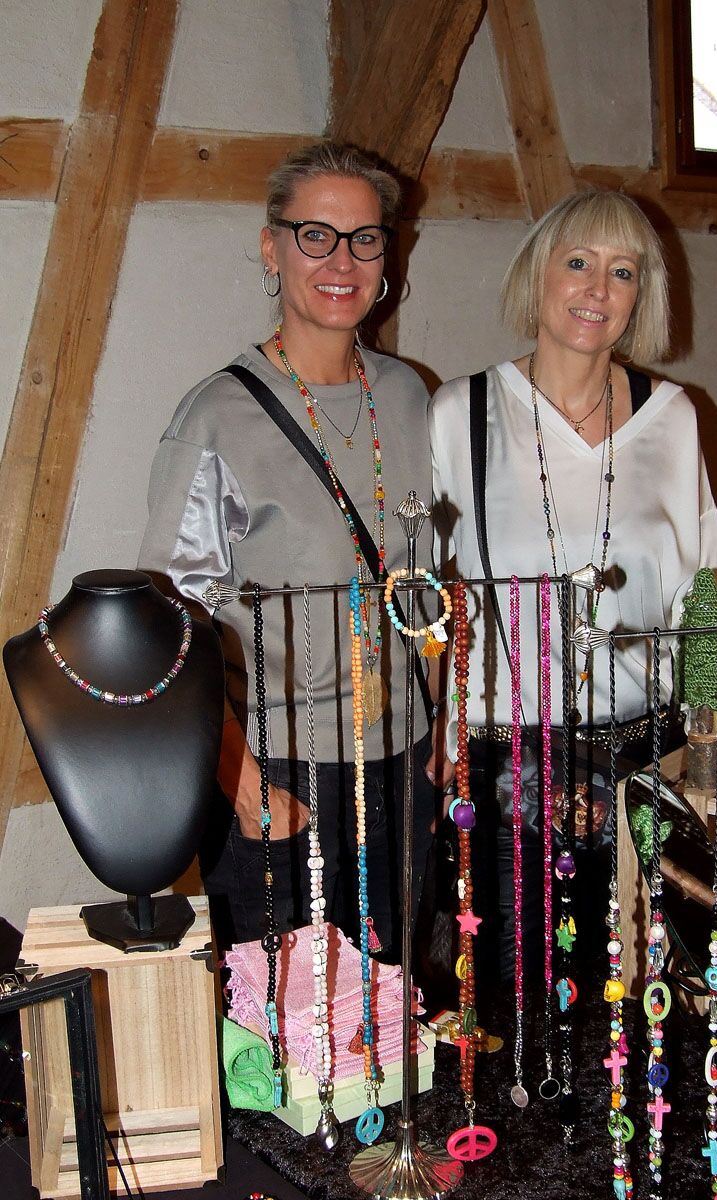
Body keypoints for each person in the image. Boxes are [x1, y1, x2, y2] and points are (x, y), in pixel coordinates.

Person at [139, 142, 438, 956]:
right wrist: (239, 783)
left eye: (365, 238)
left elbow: (426, 583)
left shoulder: (410, 395)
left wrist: (440, 730)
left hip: (403, 761)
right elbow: (168, 632)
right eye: (316, 236)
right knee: (284, 1019)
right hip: (280, 773)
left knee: (391, 1000)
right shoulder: (217, 417)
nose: (342, 261)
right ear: (272, 249)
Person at [427, 187, 717, 979]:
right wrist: (438, 731)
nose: (598, 289)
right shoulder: (462, 414)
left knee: (649, 1007)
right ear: (539, 275)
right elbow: (428, 591)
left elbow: (703, 590)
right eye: (580, 263)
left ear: (640, 295)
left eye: (623, 271)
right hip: (506, 765)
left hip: (649, 762)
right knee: (515, 1003)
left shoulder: (675, 416)